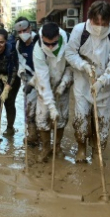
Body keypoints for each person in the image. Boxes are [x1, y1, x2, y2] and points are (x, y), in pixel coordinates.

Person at [65, 0, 110, 163]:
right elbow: (70, 53)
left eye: (103, 23)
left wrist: (102, 81)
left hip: (104, 86)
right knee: (81, 118)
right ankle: (81, 148)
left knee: (102, 121)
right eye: (96, 22)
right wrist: (83, 65)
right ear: (89, 18)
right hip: (83, 82)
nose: (99, 26)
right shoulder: (80, 30)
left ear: (108, 20)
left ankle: (97, 151)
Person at [33, 21, 73, 162]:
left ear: (58, 37)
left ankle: (57, 146)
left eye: (54, 43)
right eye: (47, 44)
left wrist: (63, 84)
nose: (50, 47)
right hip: (45, 84)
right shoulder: (38, 49)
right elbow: (42, 79)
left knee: (61, 117)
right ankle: (46, 147)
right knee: (42, 117)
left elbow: (70, 65)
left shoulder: (68, 41)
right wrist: (51, 106)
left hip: (63, 81)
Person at [14, 16, 39, 146]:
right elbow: (20, 62)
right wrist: (22, 73)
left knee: (44, 109)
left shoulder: (39, 41)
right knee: (29, 107)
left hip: (43, 78)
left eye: (25, 30)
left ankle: (45, 138)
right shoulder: (19, 44)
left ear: (30, 28)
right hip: (28, 79)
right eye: (20, 32)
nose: (23, 34)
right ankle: (32, 135)